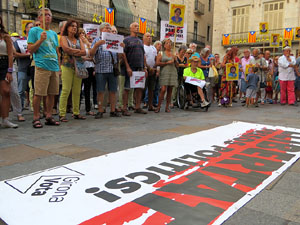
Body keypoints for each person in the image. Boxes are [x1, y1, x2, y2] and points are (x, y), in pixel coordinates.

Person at [28, 8, 60, 128]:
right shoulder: (34, 31)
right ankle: (36, 117)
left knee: (52, 93)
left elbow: (56, 51)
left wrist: (59, 66)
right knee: (39, 93)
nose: (47, 17)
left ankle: (48, 115)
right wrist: (40, 40)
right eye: (45, 15)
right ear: (39, 17)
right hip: (41, 65)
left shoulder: (53, 34)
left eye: (49, 15)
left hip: (54, 66)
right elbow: (30, 49)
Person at [89, 22, 121, 118]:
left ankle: (112, 110)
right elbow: (91, 54)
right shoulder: (97, 40)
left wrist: (121, 49)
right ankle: (100, 110)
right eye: (106, 28)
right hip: (101, 70)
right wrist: (96, 45)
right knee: (100, 91)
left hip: (112, 69)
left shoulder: (114, 40)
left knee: (113, 90)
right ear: (101, 30)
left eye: (109, 29)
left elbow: (118, 57)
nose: (108, 30)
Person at [59, 19, 87, 122]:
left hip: (78, 67)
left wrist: (74, 51)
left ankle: (76, 112)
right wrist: (78, 51)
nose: (74, 28)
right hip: (67, 65)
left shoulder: (79, 39)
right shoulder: (63, 38)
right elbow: (66, 49)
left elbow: (84, 52)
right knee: (66, 89)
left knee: (77, 91)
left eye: (75, 26)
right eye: (72, 26)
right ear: (67, 28)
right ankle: (62, 113)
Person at [122, 22, 148, 116]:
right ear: (131, 28)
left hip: (139, 66)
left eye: (138, 26)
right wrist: (127, 67)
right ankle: (124, 108)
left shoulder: (140, 41)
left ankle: (137, 107)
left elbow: (143, 55)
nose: (137, 28)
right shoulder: (126, 40)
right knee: (127, 88)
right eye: (135, 26)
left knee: (139, 87)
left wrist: (145, 67)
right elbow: (123, 53)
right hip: (131, 66)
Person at [0, 16, 18, 128]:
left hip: (3, 63)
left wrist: (9, 71)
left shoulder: (5, 36)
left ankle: (5, 119)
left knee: (6, 91)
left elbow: (11, 54)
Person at [14, 22, 33, 110]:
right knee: (21, 90)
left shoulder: (37, 40)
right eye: (30, 27)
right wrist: (27, 55)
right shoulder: (19, 41)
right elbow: (15, 54)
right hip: (23, 68)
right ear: (26, 29)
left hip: (34, 68)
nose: (32, 28)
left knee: (35, 89)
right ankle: (19, 110)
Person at [155, 38, 177, 113]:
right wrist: (166, 63)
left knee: (170, 90)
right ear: (164, 45)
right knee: (163, 89)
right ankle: (158, 106)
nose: (169, 44)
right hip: (164, 73)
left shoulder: (173, 54)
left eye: (170, 43)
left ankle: (167, 107)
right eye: (167, 43)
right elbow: (157, 63)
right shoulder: (161, 53)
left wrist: (176, 60)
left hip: (172, 72)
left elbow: (177, 65)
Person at [79, 28, 97, 116]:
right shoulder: (77, 43)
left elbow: (92, 54)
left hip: (89, 67)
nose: (82, 35)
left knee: (87, 89)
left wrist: (87, 43)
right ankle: (76, 109)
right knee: (78, 88)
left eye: (83, 33)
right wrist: (87, 58)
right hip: (80, 67)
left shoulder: (87, 44)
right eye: (80, 33)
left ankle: (88, 109)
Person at [143, 32, 157, 111]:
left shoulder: (153, 48)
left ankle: (150, 105)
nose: (149, 38)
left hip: (153, 70)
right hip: (145, 69)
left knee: (151, 88)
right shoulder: (142, 47)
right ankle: (138, 103)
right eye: (147, 36)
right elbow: (143, 58)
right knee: (142, 88)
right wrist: (147, 68)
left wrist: (155, 69)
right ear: (144, 38)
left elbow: (155, 59)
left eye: (150, 36)